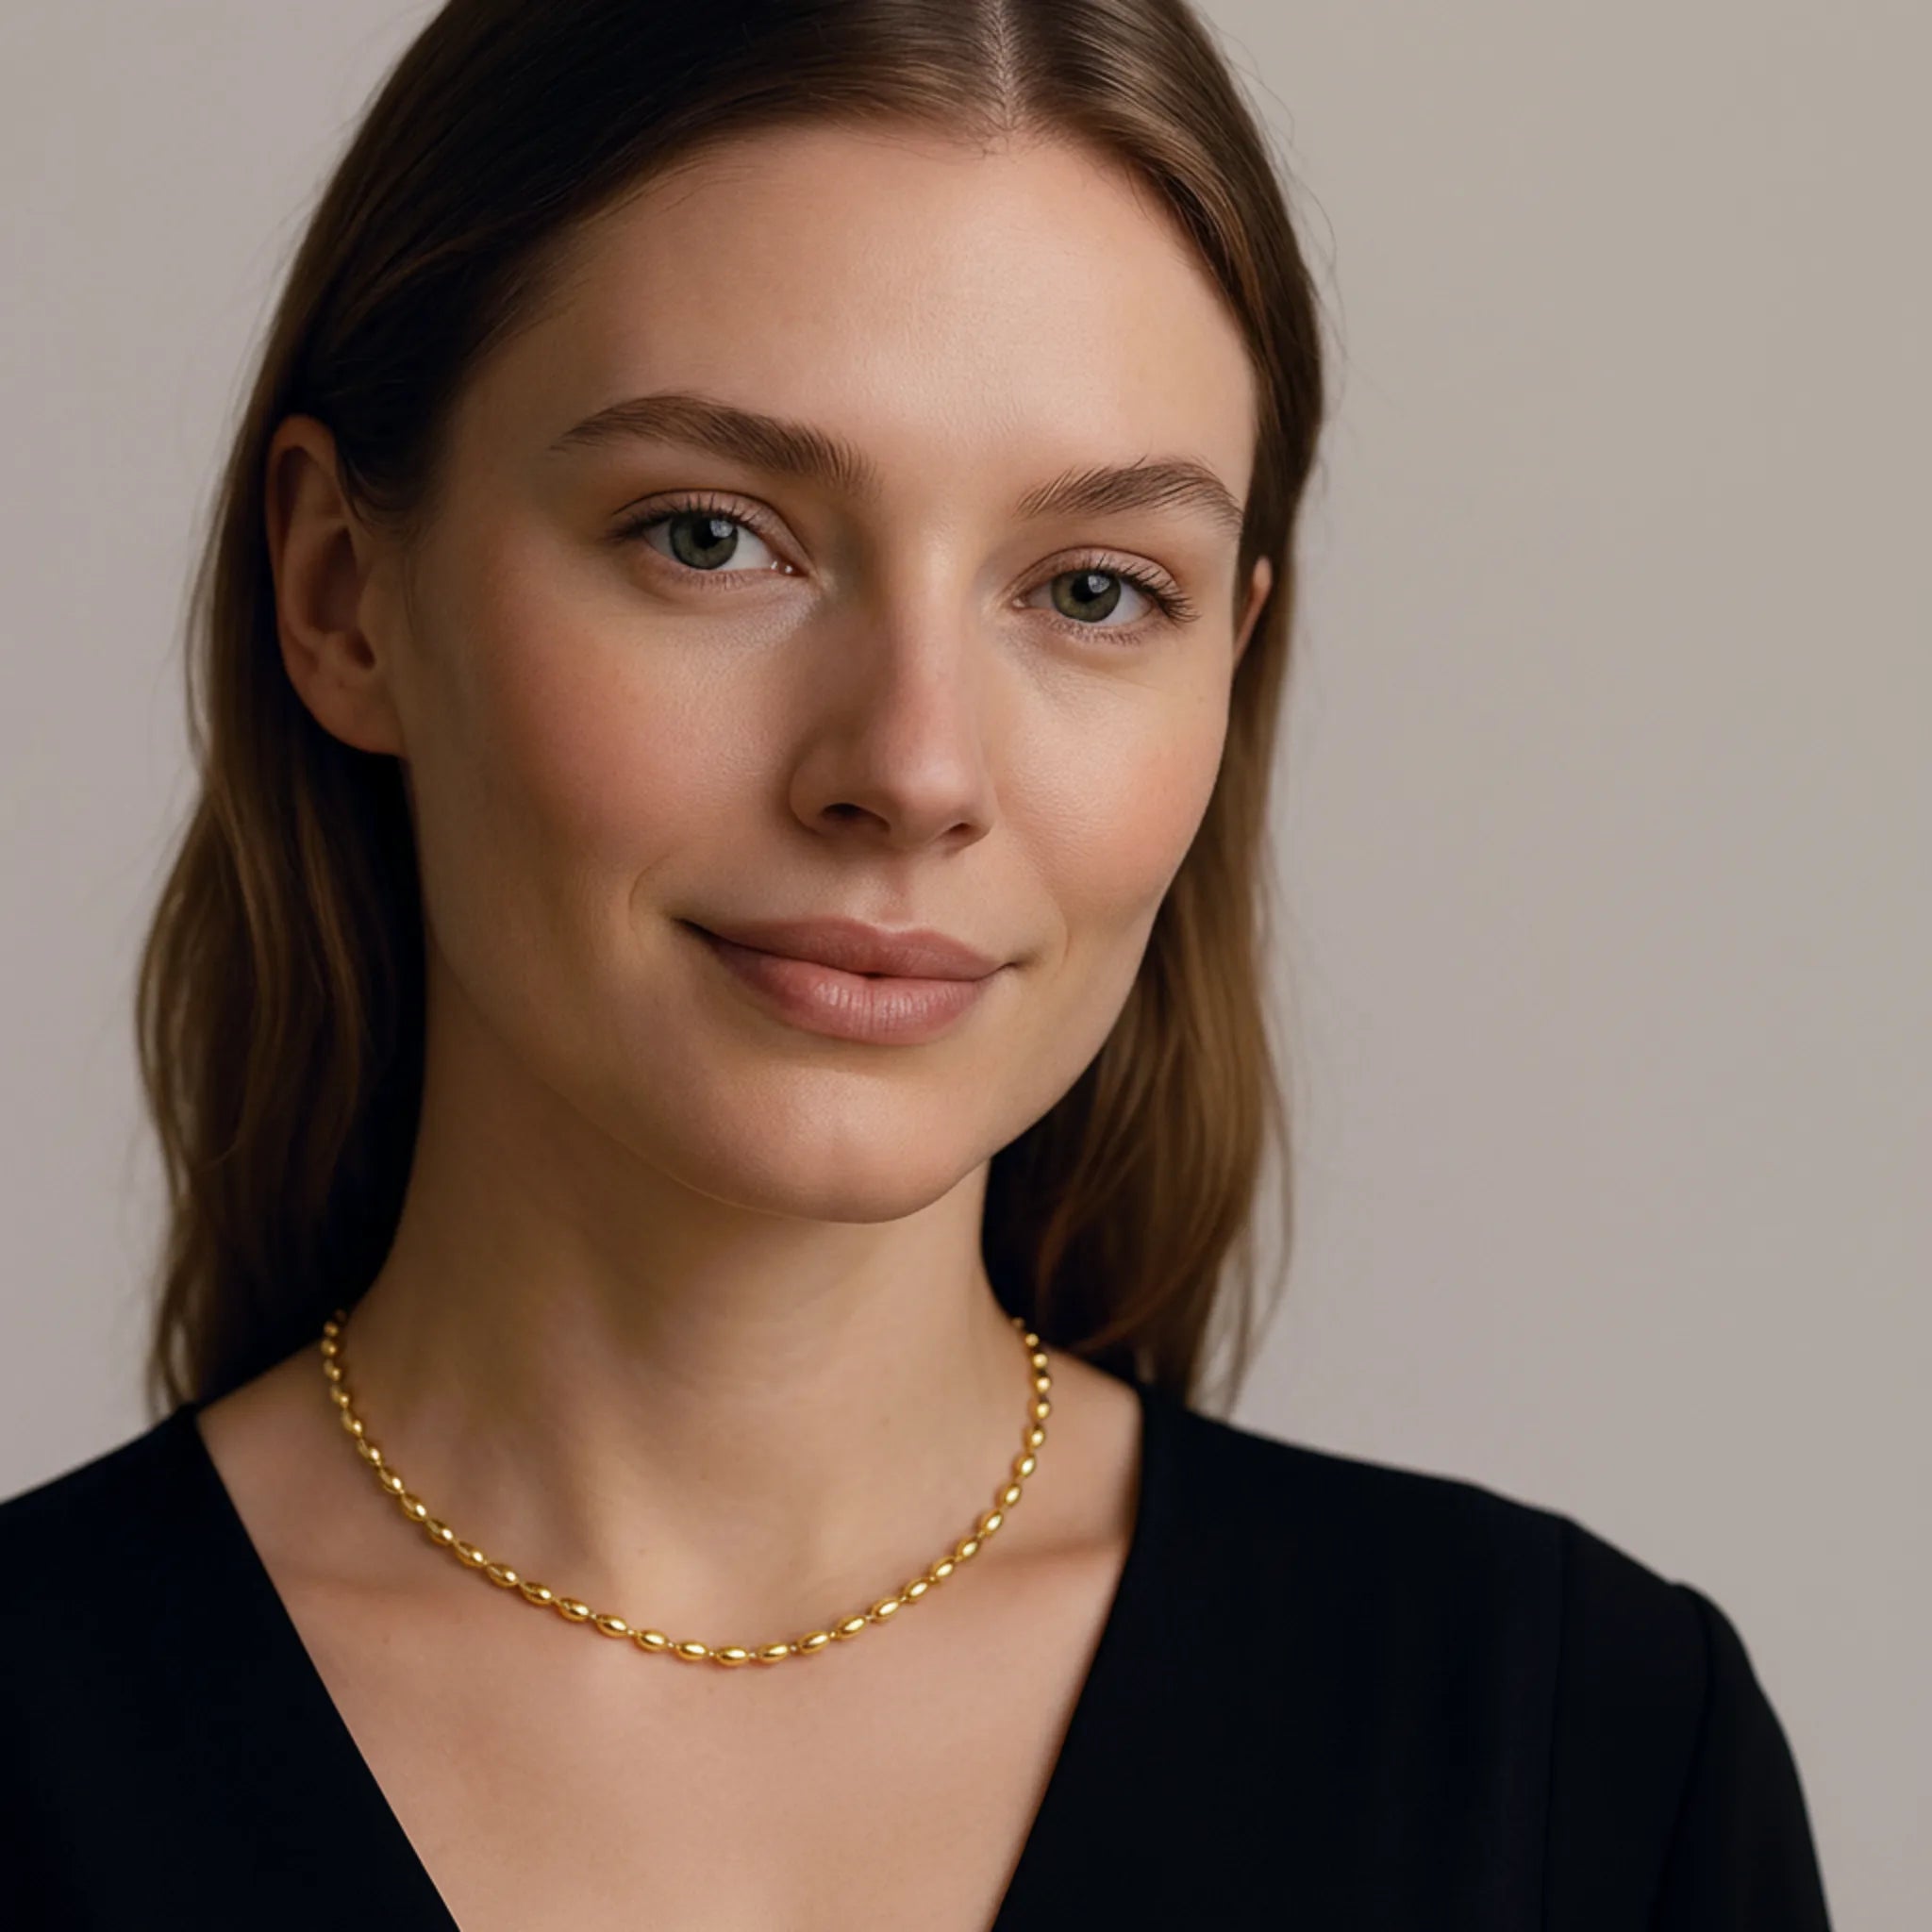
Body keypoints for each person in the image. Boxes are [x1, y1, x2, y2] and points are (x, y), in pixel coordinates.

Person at [0, 2, 1833, 1926]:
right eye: (713, 535)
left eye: (1094, 588)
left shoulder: (1592, 1772)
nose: (913, 767)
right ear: (341, 593)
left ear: (1230, 664)